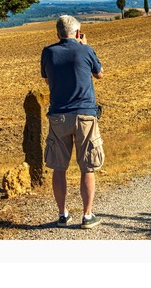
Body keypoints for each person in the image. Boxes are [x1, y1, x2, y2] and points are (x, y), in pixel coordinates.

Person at [41, 15, 105, 229]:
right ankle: (87, 216)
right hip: (85, 115)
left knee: (59, 167)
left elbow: (48, 79)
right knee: (87, 167)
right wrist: (85, 46)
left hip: (58, 115)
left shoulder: (48, 52)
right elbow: (100, 74)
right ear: (77, 33)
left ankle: (62, 214)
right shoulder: (85, 50)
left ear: (58, 33)